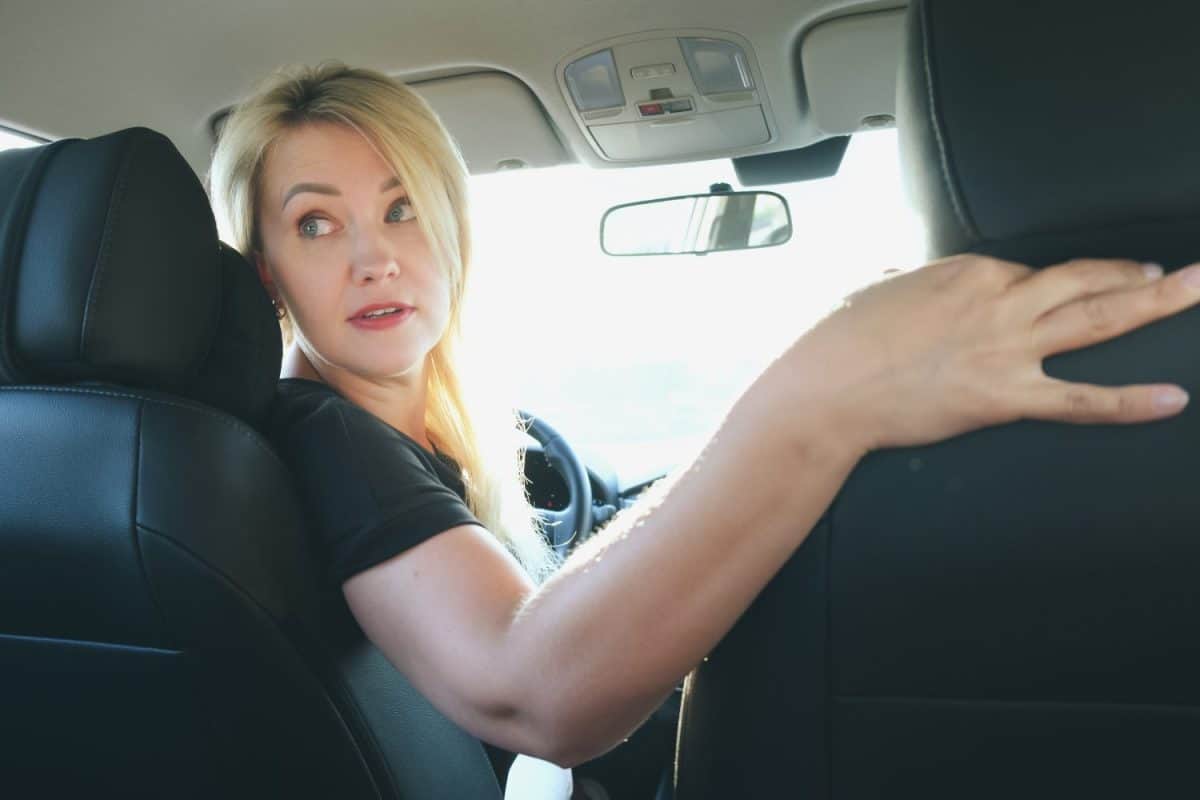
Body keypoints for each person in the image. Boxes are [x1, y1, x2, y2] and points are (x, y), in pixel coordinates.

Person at [207, 62, 1200, 779]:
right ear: (266, 269)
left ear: (452, 226)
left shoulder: (433, 429)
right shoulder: (327, 435)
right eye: (315, 222)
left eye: (402, 206)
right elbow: (530, 688)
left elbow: (619, 525)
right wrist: (832, 380)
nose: (374, 256)